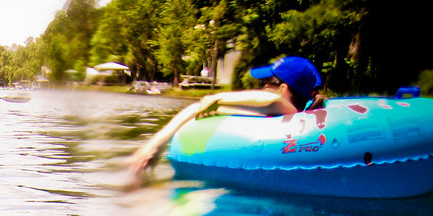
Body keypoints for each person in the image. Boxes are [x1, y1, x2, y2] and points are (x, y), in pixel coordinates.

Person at [129, 56, 325, 185]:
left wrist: (217, 98)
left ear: (282, 89)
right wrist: (154, 146)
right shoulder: (277, 114)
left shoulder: (284, 107)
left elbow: (272, 100)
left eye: (263, 83)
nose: (260, 87)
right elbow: (200, 110)